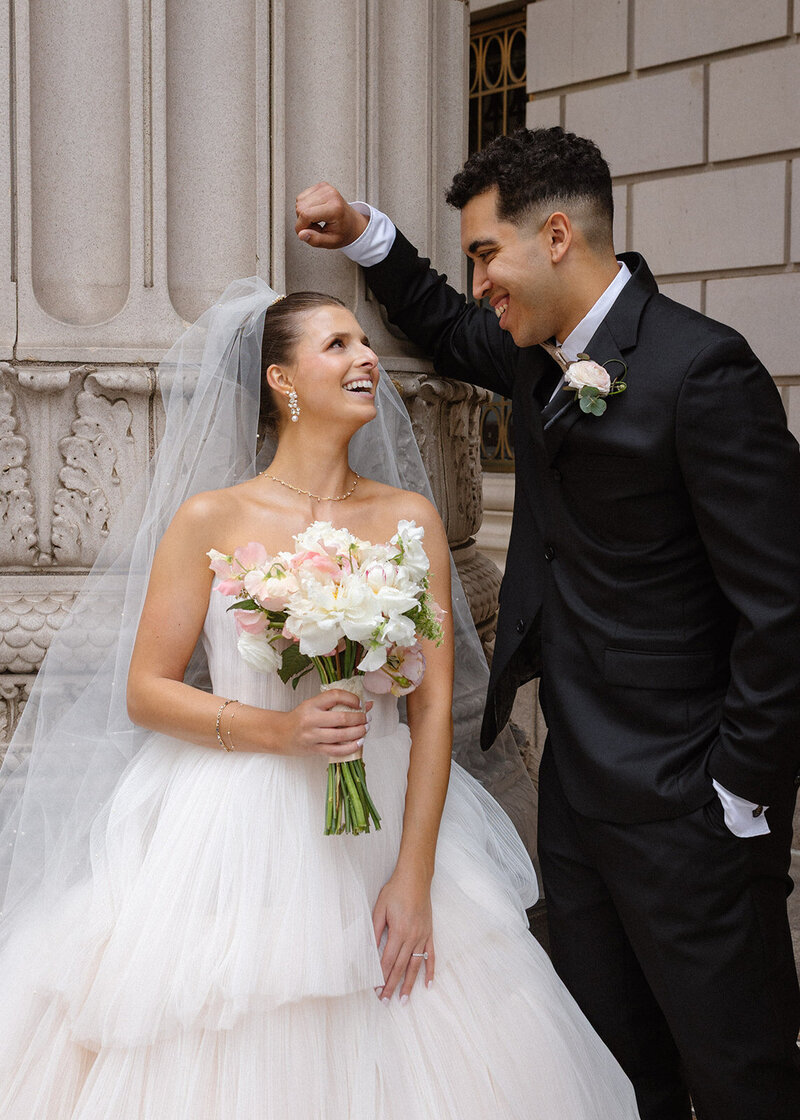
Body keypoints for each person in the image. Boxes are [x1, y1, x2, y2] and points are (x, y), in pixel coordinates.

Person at [0, 278, 640, 1117]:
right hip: (236, 825)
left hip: (384, 817)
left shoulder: (408, 516)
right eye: (338, 345)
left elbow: (433, 707)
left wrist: (412, 880)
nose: (367, 357)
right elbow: (147, 693)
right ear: (283, 381)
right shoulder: (211, 519)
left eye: (366, 343)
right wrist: (279, 728)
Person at [294, 125, 800, 1120]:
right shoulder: (533, 354)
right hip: (573, 788)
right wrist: (361, 235)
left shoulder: (704, 371)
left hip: (688, 798)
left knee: (735, 1069)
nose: (479, 279)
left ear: (556, 235)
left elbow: (778, 606)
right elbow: (442, 322)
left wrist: (737, 789)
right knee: (609, 1063)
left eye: (487, 252)